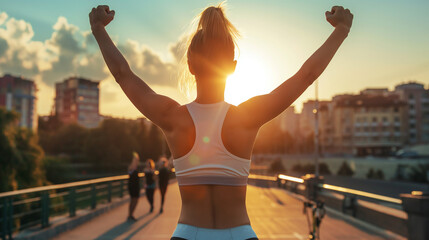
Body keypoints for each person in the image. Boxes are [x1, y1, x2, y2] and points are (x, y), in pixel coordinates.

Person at [89, 3, 353, 240]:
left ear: (190, 64)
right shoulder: (246, 117)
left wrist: (99, 28)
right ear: (233, 66)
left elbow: (123, 75)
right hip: (240, 234)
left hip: (187, 234)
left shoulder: (172, 117)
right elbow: (306, 75)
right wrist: (341, 29)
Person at [127, 152, 140, 221]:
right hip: (132, 187)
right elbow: (130, 175)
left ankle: (131, 214)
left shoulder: (135, 168)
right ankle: (130, 215)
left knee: (135, 200)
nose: (137, 161)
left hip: (136, 187)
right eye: (135, 160)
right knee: (133, 200)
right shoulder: (131, 168)